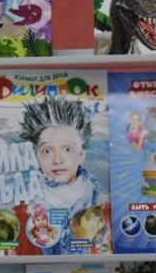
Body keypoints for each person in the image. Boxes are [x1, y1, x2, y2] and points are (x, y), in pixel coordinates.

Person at [18, 94, 110, 255]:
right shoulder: (23, 210)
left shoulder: (103, 205)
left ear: (81, 154)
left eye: (67, 149)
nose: (57, 159)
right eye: (47, 151)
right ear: (35, 155)